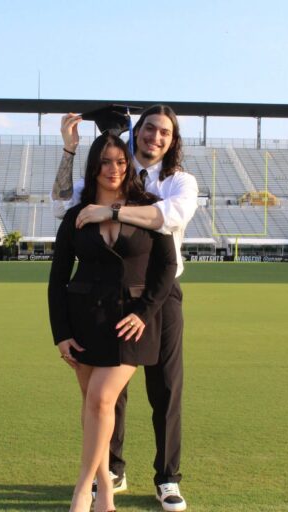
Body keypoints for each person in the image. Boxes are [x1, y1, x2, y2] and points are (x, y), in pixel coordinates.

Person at [52, 104, 198, 512]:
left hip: (159, 294)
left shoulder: (178, 181)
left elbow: (170, 216)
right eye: (149, 129)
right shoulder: (115, 167)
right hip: (108, 297)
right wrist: (69, 151)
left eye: (164, 132)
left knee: (165, 387)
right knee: (107, 394)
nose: (155, 137)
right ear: (138, 132)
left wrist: (112, 211)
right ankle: (111, 471)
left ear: (173, 140)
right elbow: (62, 206)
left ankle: (167, 477)